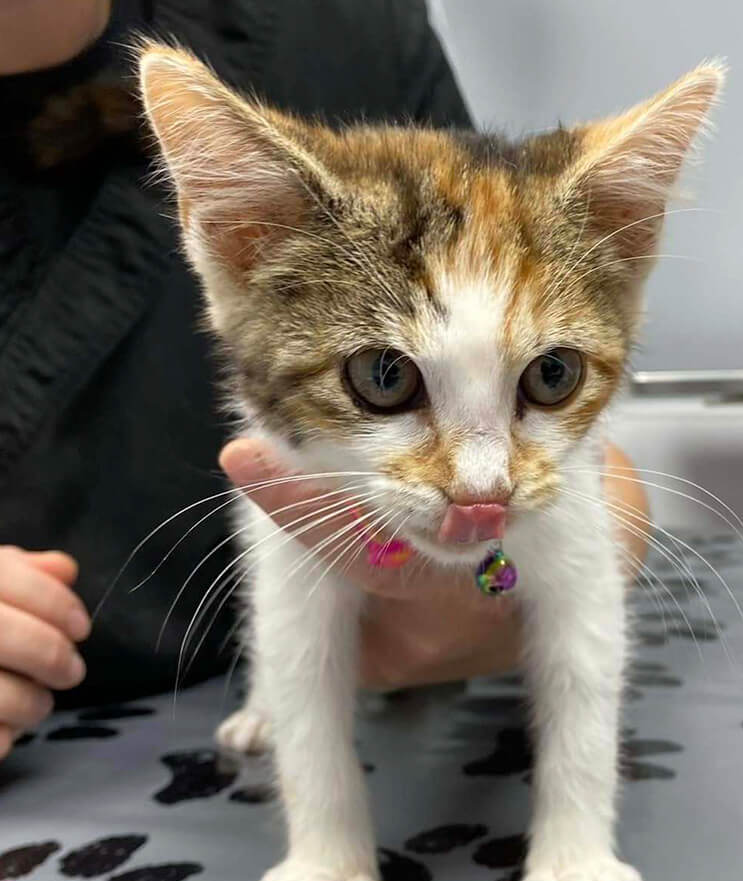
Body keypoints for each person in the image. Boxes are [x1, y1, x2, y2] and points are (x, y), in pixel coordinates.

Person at [0, 0, 649, 759]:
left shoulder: (346, 29)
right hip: (82, 756)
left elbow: (585, 453)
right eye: (385, 377)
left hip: (367, 706)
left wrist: (527, 575)